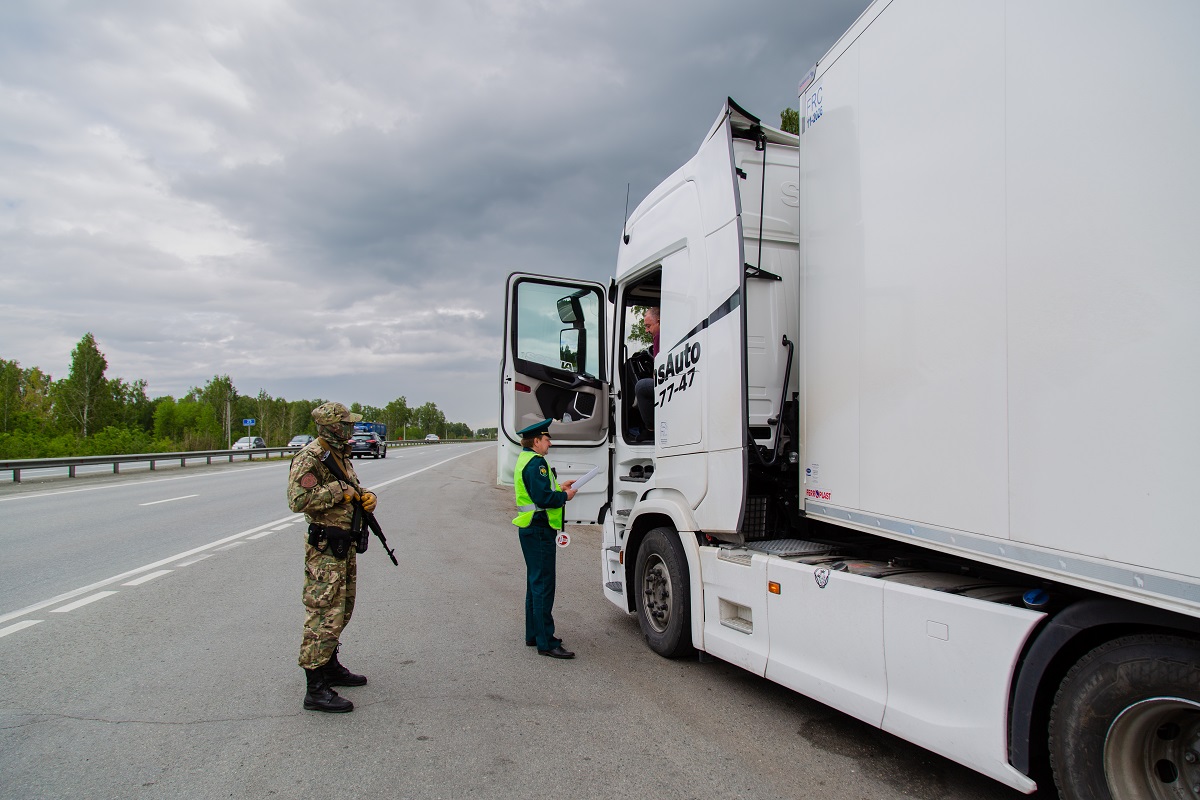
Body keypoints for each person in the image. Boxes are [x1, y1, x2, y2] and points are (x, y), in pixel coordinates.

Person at [287, 401, 379, 713]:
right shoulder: (310, 456)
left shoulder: (337, 454)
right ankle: (315, 687)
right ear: (333, 426)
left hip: (343, 546)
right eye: (347, 424)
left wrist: (367, 497)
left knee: (342, 609)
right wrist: (339, 492)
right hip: (325, 550)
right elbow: (297, 499)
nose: (353, 429)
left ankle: (329, 665)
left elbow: (351, 487)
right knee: (323, 613)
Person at [512, 419, 577, 659]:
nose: (550, 443)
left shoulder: (525, 460)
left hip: (531, 528)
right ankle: (546, 642)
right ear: (536, 441)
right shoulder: (537, 463)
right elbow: (543, 499)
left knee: (535, 583)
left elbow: (539, 491)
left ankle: (534, 634)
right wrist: (565, 496)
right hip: (539, 529)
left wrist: (559, 488)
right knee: (543, 585)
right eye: (547, 439)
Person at [633, 306, 660, 441]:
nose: (647, 330)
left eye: (649, 326)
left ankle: (651, 430)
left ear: (659, 322)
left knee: (642, 387)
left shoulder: (659, 336)